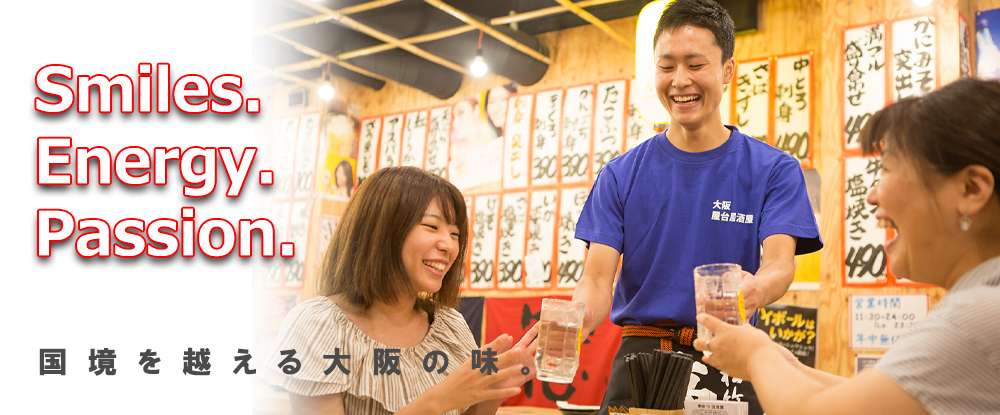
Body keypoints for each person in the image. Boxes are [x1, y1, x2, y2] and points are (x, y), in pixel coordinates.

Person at [571, 1, 822, 413]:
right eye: (666, 66)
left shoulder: (774, 169)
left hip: (728, 352)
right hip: (641, 364)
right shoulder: (619, 174)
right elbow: (597, 278)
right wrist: (576, 316)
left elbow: (780, 263)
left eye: (695, 64)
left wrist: (756, 288)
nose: (679, 81)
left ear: (727, 70)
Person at [694, 77, 1000, 415]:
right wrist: (781, 363)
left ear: (971, 189)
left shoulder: (975, 318)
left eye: (886, 169)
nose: (871, 196)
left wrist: (756, 355)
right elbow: (873, 398)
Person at [262, 166, 539, 415]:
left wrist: (495, 390)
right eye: (432, 226)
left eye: (455, 234)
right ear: (382, 231)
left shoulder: (450, 326)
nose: (449, 245)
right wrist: (438, 400)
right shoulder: (317, 324)